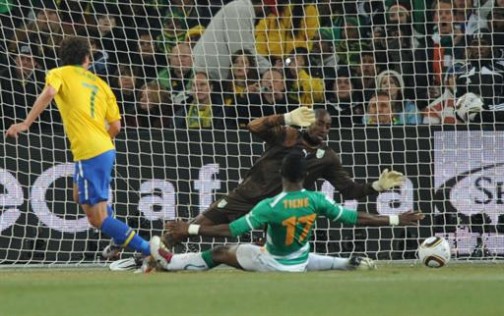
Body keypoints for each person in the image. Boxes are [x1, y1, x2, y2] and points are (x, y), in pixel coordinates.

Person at [164, 107, 405, 246]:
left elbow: (349, 191)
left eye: (328, 126)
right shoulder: (288, 135)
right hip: (247, 194)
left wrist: (376, 186)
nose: (323, 130)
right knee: (191, 227)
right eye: (319, 124)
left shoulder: (328, 157)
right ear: (308, 122)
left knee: (267, 253)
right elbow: (253, 126)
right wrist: (286, 117)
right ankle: (150, 255)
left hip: (279, 209)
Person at [150, 152, 424, 272]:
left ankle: (170, 262)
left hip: (275, 264)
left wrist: (190, 228)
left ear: (281, 172)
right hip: (299, 259)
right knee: (302, 255)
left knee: (224, 251)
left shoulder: (269, 206)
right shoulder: (316, 200)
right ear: (305, 174)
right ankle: (347, 263)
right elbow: (357, 218)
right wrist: (397, 218)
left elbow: (231, 229)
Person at [5, 36, 151, 259]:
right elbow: (116, 126)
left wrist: (26, 123)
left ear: (63, 57)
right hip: (105, 148)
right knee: (78, 196)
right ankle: (120, 239)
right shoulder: (101, 84)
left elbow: (50, 93)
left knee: (97, 219)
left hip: (90, 151)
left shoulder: (59, 73)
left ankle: (150, 250)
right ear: (87, 58)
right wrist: (101, 142)